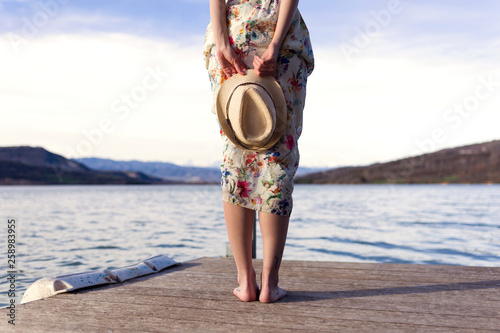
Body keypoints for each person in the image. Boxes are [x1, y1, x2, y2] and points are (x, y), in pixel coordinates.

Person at [203, 0, 314, 303]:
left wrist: (222, 41)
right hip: (279, 33)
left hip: (233, 30)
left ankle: (244, 280)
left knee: (236, 155)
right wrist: (276, 44)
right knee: (278, 158)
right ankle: (270, 284)